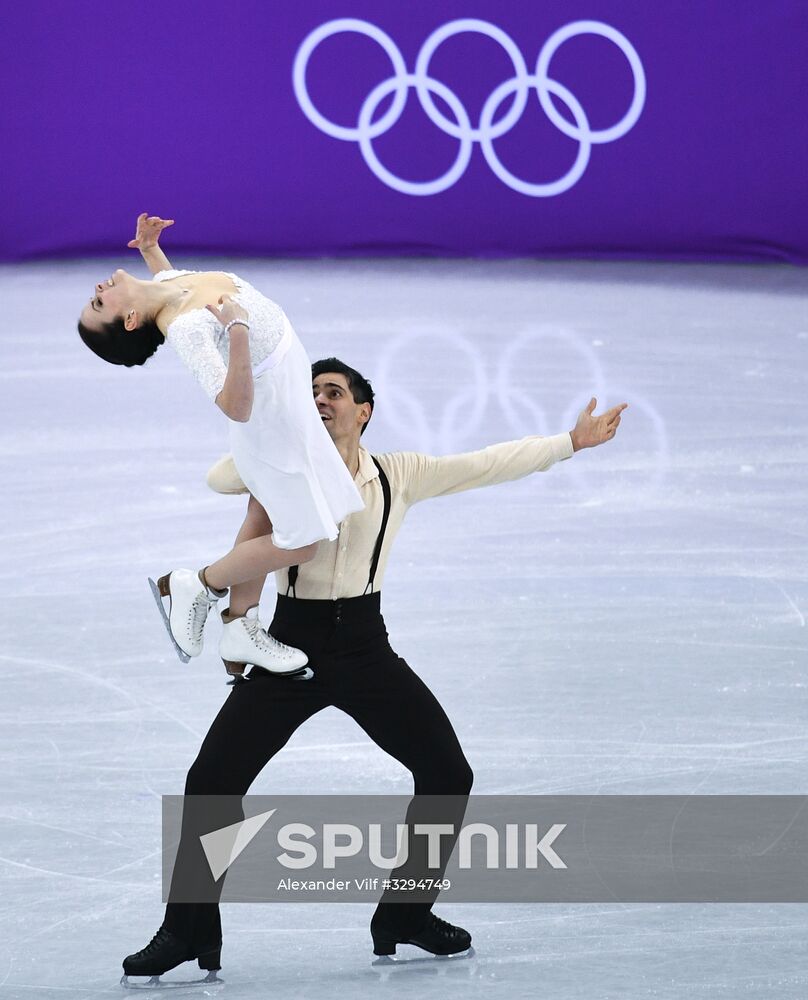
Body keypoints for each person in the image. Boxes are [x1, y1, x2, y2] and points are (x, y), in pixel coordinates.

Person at [120, 351, 627, 983]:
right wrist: (272, 437)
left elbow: (483, 465)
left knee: (447, 772)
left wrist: (568, 444)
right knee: (212, 780)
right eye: (311, 394)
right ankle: (189, 931)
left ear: (364, 412)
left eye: (333, 393)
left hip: (364, 647)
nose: (320, 401)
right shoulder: (283, 464)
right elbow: (221, 478)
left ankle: (406, 916)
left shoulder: (398, 474)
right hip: (289, 645)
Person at [78, 215, 363, 679]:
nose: (99, 287)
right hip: (273, 431)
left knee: (262, 517)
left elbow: (170, 286)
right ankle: (197, 585)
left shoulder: (168, 284)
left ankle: (239, 628)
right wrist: (237, 330)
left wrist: (151, 250)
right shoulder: (187, 330)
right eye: (98, 302)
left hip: (288, 414)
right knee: (303, 542)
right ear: (130, 319)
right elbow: (236, 405)